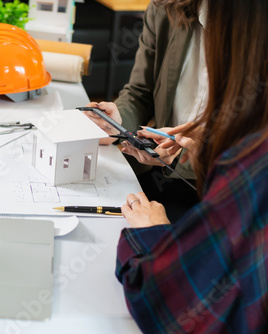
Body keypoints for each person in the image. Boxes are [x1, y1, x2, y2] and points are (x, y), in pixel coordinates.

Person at [115, 0, 268, 332]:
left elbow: (163, 302)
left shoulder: (244, 170)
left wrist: (151, 233)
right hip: (172, 180)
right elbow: (138, 92)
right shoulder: (168, 10)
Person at [84, 0, 208, 222]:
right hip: (158, 171)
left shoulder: (252, 28)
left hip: (224, 190)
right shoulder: (166, 8)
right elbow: (140, 92)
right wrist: (117, 122)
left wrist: (185, 156)